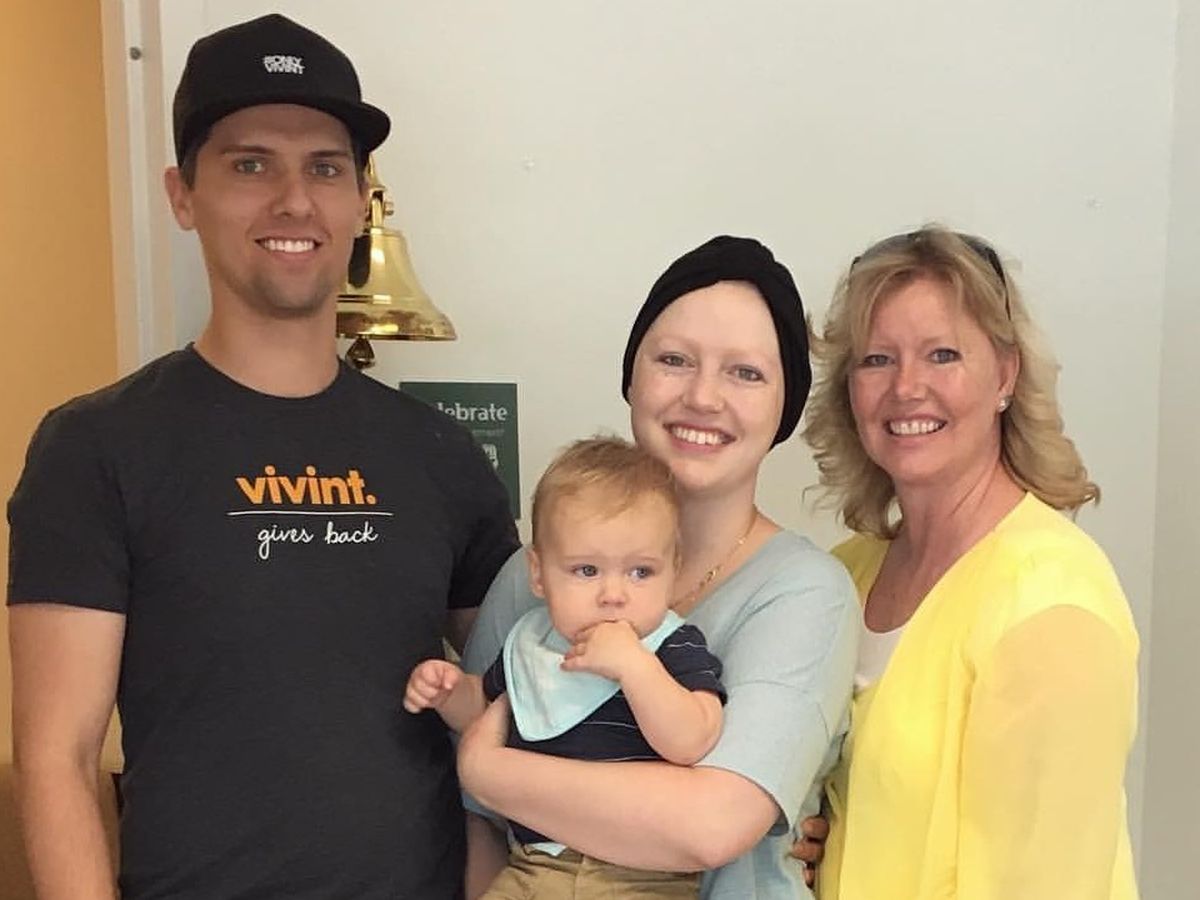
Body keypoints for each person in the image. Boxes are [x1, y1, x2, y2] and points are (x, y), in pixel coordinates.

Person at [7, 14, 517, 900]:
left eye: (325, 167)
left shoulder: (441, 454)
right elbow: (59, 759)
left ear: (359, 198)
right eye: (250, 165)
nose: (294, 201)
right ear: (182, 195)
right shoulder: (94, 448)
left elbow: (529, 702)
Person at [457, 235, 859, 899]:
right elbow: (476, 825)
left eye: (746, 373)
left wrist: (491, 770)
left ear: (784, 406)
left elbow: (711, 825)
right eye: (674, 360)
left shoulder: (804, 594)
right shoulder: (528, 583)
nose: (703, 396)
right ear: (632, 377)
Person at [802, 226, 1139, 899]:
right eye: (877, 360)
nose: (907, 387)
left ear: (1005, 374)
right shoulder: (841, 577)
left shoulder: (1051, 598)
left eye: (943, 354)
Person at [407, 435, 726, 898]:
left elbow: (692, 738)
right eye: (586, 571)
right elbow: (486, 713)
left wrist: (635, 668)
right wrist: (450, 692)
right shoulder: (531, 643)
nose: (613, 595)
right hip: (535, 866)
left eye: (641, 572)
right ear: (538, 575)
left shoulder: (670, 645)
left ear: (674, 569)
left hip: (643, 875)